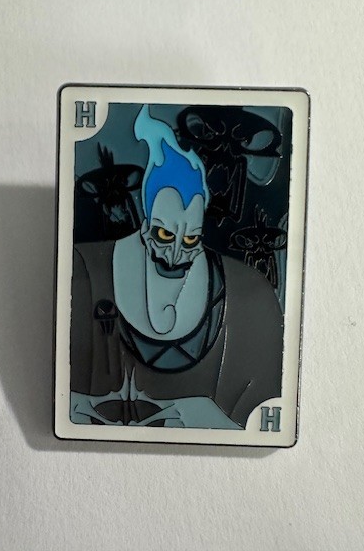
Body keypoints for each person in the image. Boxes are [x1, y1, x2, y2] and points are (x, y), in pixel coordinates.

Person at [70, 106, 283, 429]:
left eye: (190, 239)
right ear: (145, 224)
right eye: (164, 235)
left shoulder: (249, 293)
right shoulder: (82, 271)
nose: (174, 256)